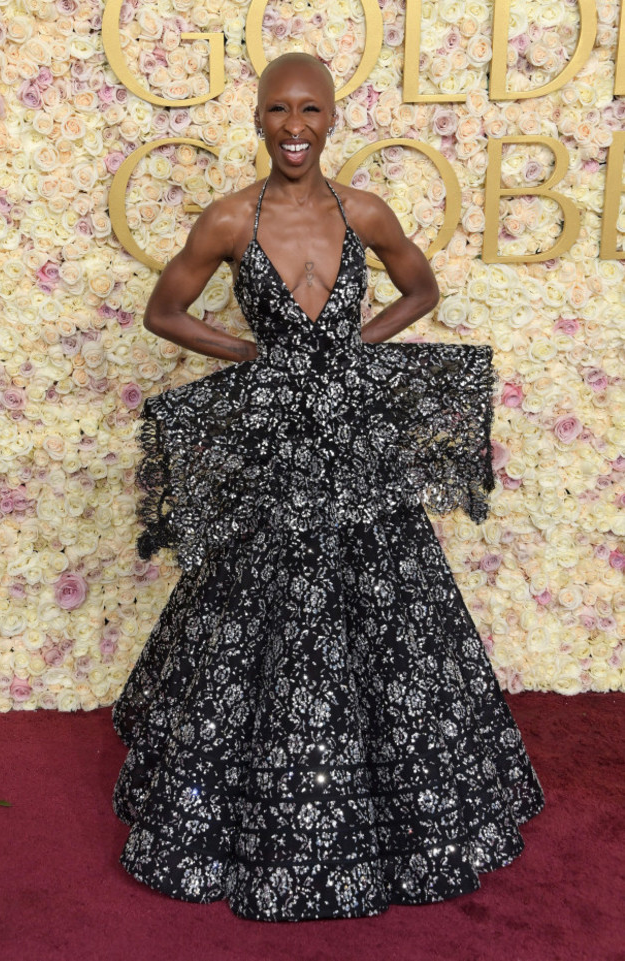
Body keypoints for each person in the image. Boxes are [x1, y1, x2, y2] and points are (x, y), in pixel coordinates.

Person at [111, 52, 545, 922]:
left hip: (353, 439)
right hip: (277, 444)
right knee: (252, 606)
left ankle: (393, 795)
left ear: (334, 117)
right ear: (259, 119)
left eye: (311, 109)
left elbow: (420, 288)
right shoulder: (230, 218)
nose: (295, 126)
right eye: (279, 110)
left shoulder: (366, 211)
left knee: (391, 604)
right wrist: (256, 359)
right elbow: (164, 311)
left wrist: (355, 352)